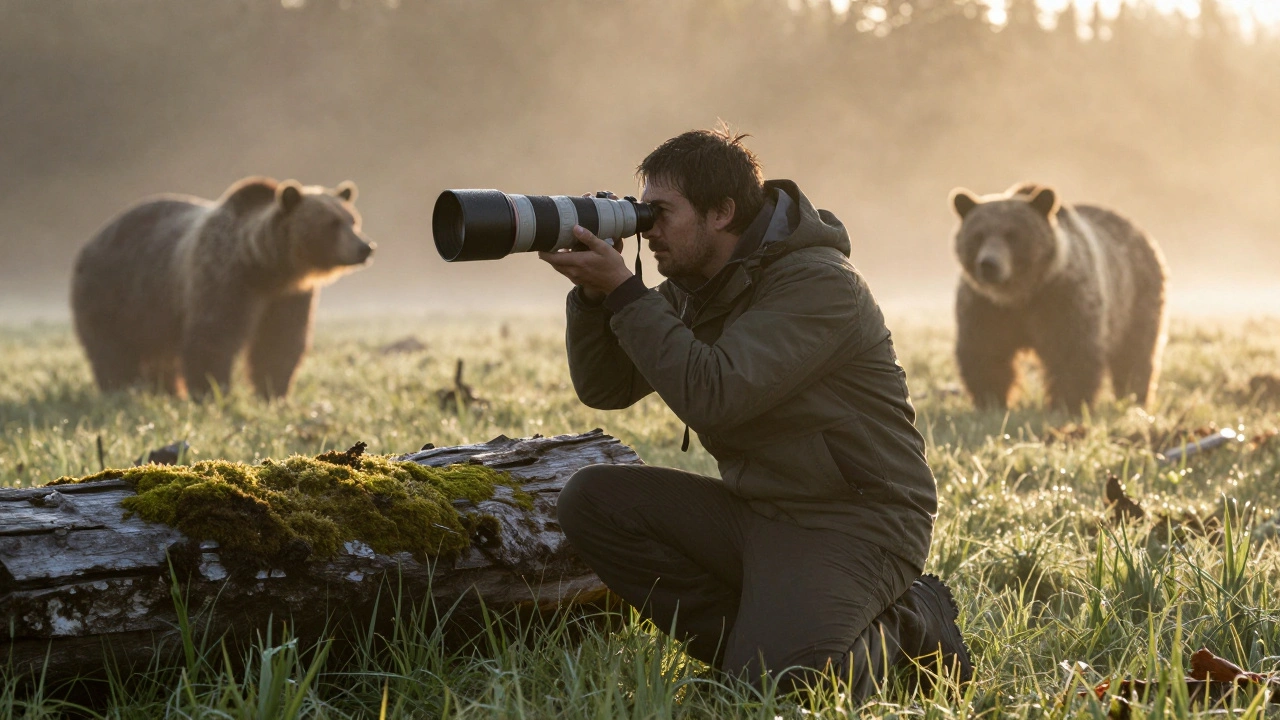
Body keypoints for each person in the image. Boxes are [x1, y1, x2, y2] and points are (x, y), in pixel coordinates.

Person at [539, 127, 971, 698]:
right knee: (592, 500)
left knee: (777, 690)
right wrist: (595, 298)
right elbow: (606, 386)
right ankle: (757, 644)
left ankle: (912, 625)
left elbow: (716, 397)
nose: (649, 229)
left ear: (722, 212)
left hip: (855, 522)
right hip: (760, 510)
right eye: (643, 211)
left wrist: (624, 292)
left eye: (661, 212)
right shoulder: (698, 286)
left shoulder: (818, 284)